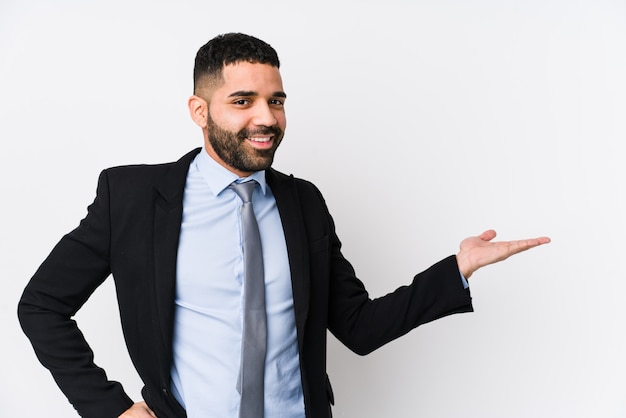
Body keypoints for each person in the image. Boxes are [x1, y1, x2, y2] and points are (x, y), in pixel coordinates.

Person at [18, 33, 550, 418]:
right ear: (199, 111)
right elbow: (41, 305)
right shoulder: (132, 196)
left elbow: (358, 327)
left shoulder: (303, 203)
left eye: (276, 100)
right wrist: (110, 410)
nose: (266, 118)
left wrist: (457, 269)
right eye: (242, 101)